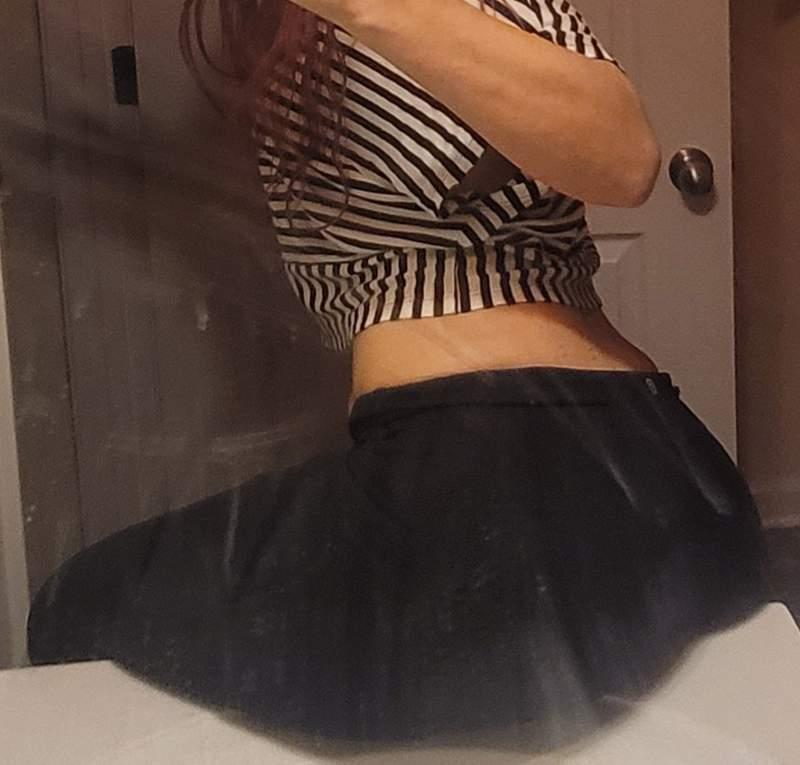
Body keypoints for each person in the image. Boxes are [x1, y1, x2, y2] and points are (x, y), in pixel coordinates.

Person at [27, 0, 768, 750]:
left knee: (75, 608)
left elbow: (625, 155)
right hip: (664, 484)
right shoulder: (310, 43)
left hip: (512, 501)